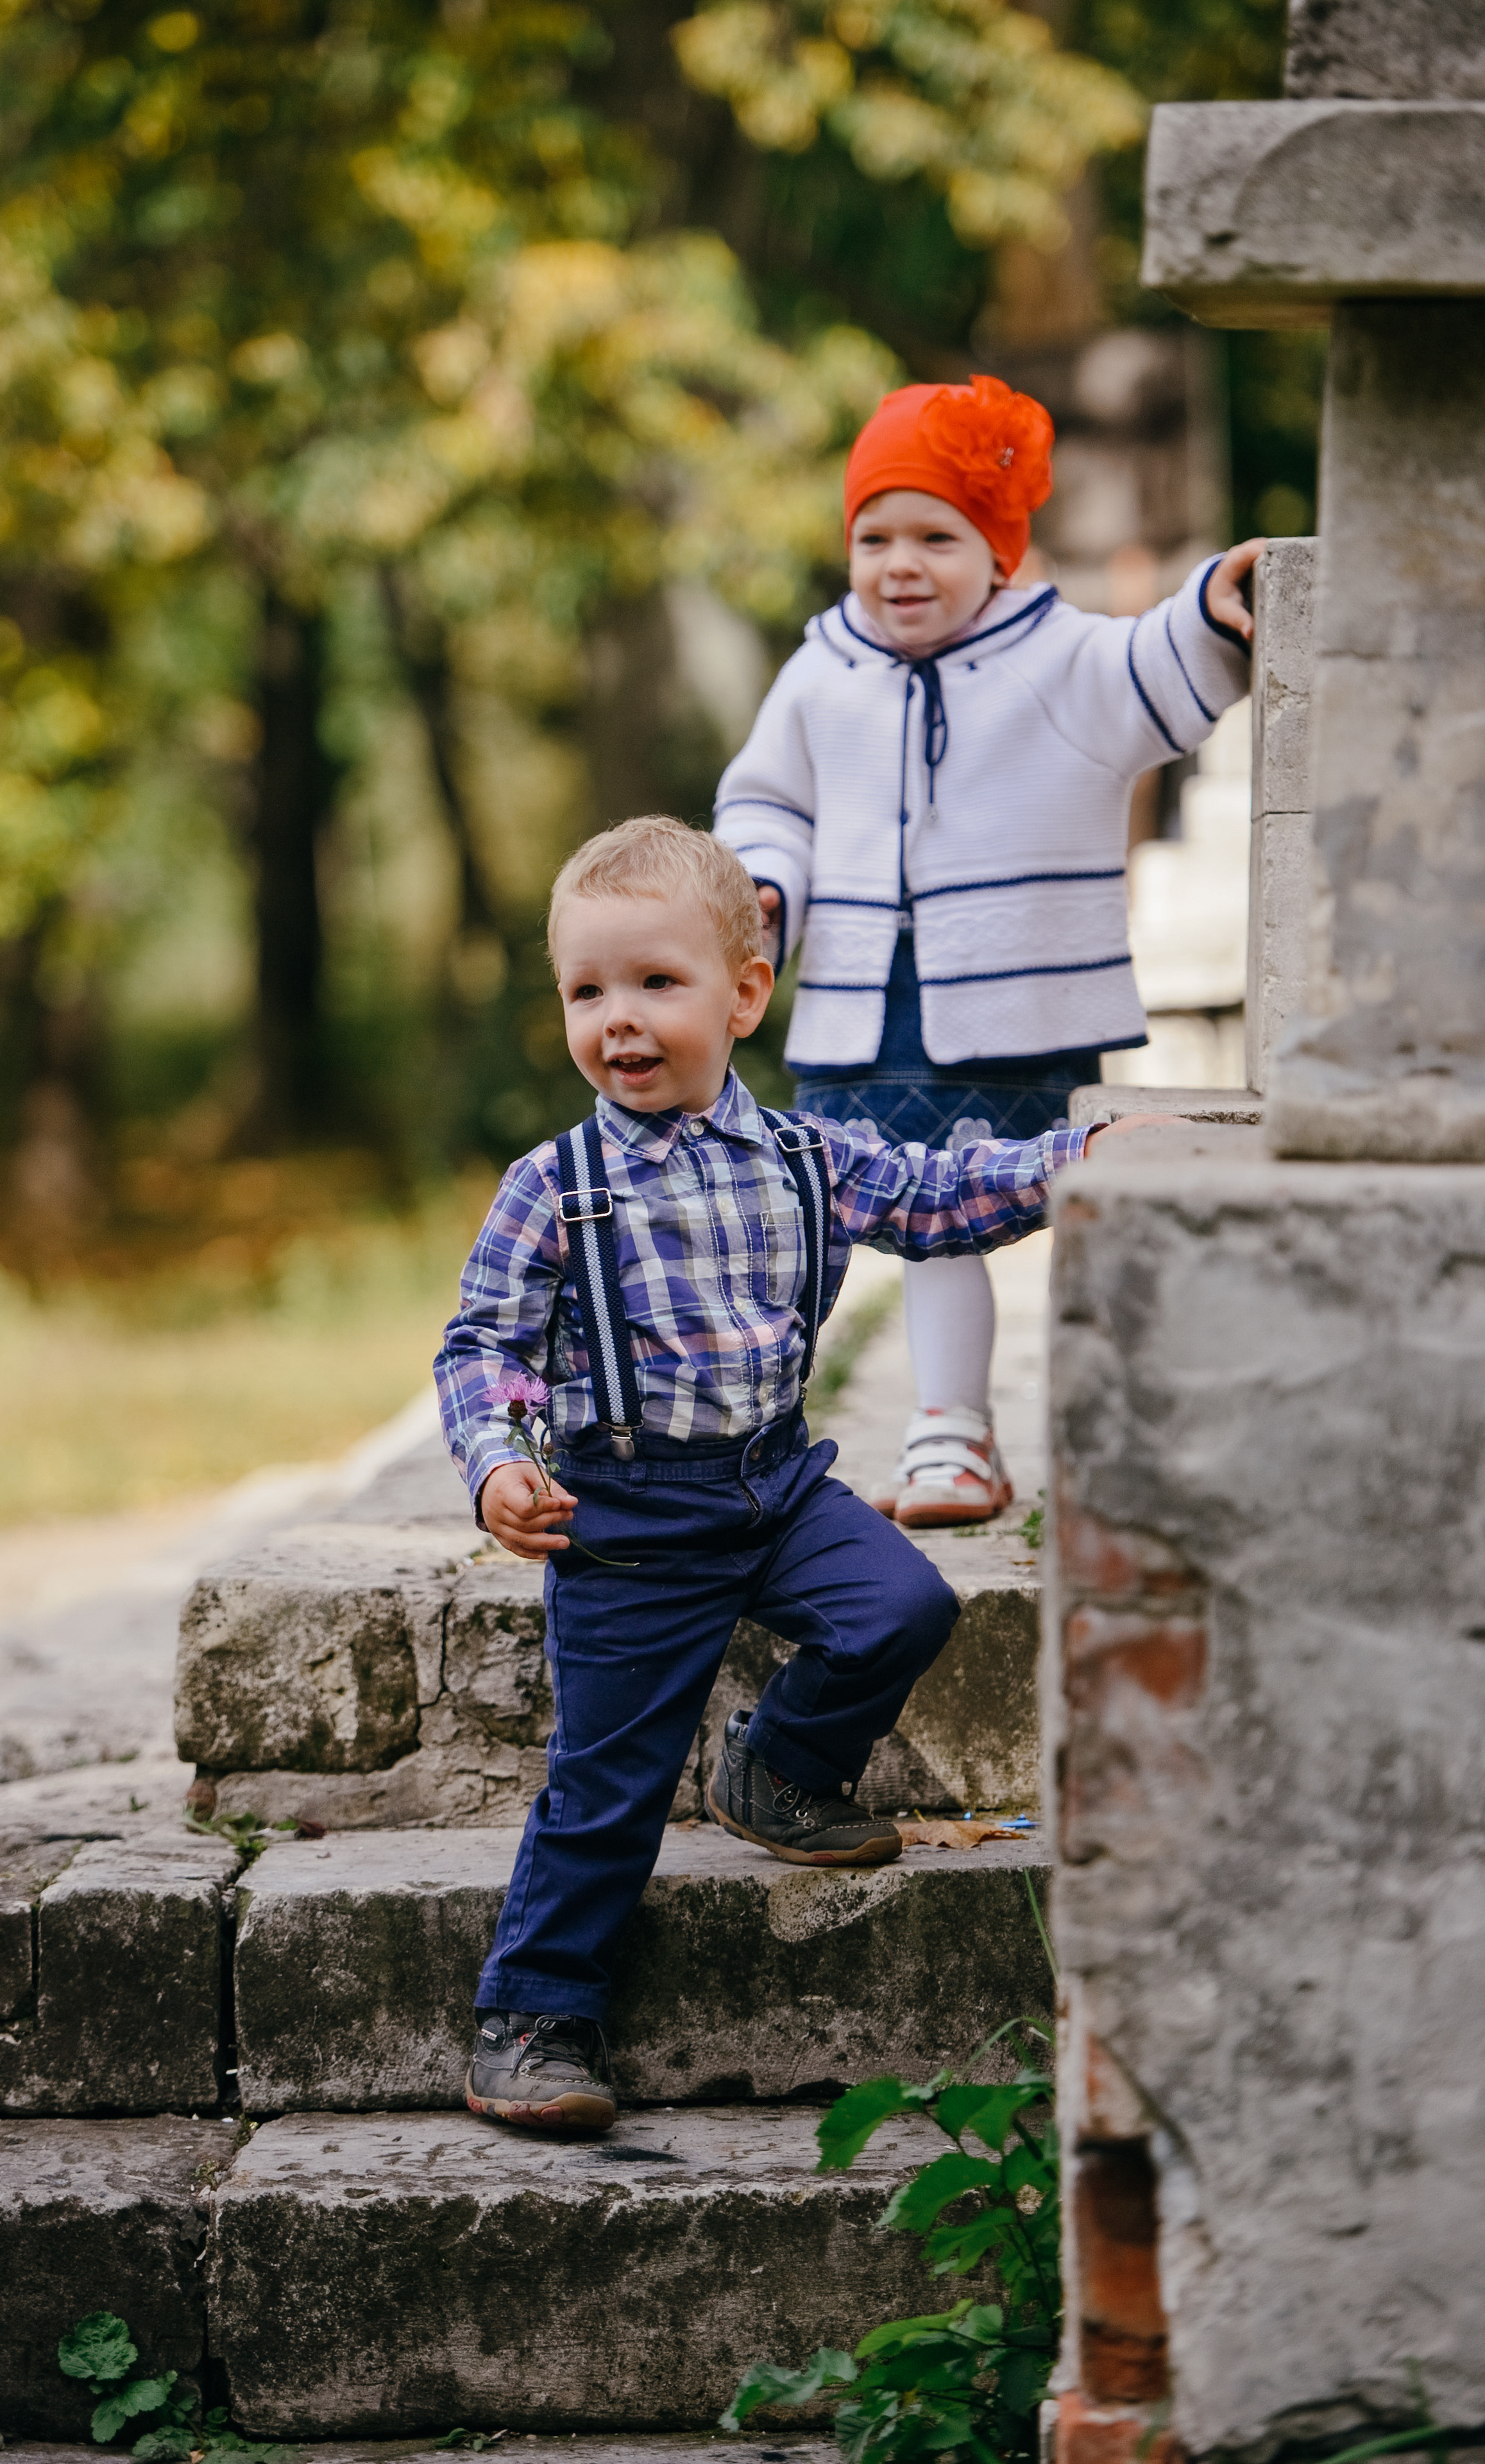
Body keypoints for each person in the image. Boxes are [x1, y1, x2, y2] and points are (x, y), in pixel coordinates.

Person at [434, 814, 1158, 2134]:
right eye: (586, 992)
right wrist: (496, 1463)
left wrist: (1067, 1163)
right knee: (607, 1785)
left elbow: (943, 1194)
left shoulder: (806, 1162)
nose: (620, 1022)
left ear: (745, 993)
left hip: (772, 1491)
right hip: (632, 1524)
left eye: (656, 984)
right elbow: (482, 1344)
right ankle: (532, 2015)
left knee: (904, 1607)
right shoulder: (551, 1188)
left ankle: (774, 1768)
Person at [714, 375, 1261, 1528]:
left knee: (1009, 1211)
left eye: (937, 536)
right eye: (874, 536)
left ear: (1000, 550)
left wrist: (1211, 599)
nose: (900, 563)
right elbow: (768, 806)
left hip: (1014, 1006)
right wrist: (762, 890)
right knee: (868, 1220)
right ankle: (844, 1433)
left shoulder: (1051, 658)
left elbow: (1147, 669)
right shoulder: (821, 673)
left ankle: (1030, 1433)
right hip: (863, 1007)